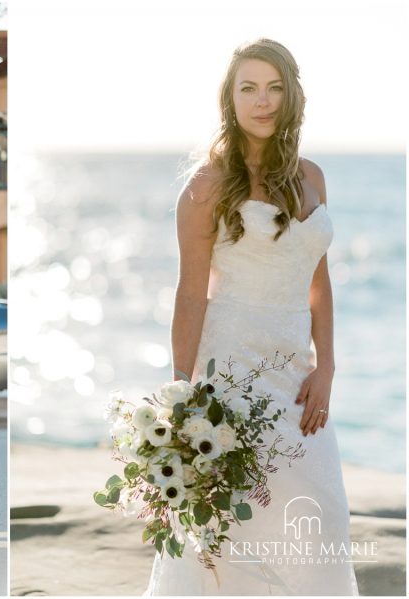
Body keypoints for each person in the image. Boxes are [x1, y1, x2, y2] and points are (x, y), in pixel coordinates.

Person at [145, 39, 358, 595]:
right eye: (248, 89)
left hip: (297, 372)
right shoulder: (205, 186)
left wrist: (327, 366)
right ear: (230, 100)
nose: (262, 101)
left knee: (324, 517)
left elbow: (319, 282)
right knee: (230, 520)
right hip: (230, 366)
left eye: (274, 88)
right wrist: (182, 392)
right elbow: (191, 294)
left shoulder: (312, 176)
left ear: (291, 97)